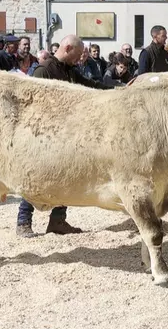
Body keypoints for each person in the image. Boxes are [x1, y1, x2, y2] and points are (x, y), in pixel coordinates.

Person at [16, 35, 111, 238]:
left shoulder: (69, 70)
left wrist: (115, 92)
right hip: (42, 136)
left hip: (64, 136)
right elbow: (34, 105)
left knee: (65, 177)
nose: (79, 60)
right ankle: (23, 222)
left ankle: (57, 221)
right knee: (34, 178)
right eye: (76, 55)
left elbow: (89, 85)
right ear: (67, 48)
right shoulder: (44, 70)